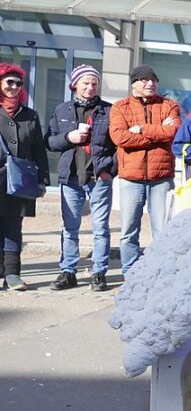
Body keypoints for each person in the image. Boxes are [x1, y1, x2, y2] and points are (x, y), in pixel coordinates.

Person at [46, 64, 117, 292]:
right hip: (71, 178)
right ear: (75, 84)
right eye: (85, 83)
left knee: (100, 228)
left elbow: (119, 146)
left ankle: (98, 272)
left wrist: (110, 170)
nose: (90, 87)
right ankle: (68, 271)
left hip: (99, 178)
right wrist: (69, 137)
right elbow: (49, 141)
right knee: (70, 228)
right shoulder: (62, 110)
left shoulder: (109, 110)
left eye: (94, 83)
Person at [109, 64, 180, 276]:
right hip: (131, 177)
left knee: (163, 230)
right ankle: (130, 273)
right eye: (144, 80)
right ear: (134, 83)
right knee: (129, 231)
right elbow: (120, 138)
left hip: (162, 177)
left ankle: (161, 272)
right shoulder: (120, 107)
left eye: (153, 80)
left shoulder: (169, 105)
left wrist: (141, 129)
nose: (150, 84)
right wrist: (157, 135)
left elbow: (173, 131)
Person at [0, 63, 49, 291]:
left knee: (13, 227)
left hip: (19, 180)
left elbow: (39, 149)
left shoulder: (30, 115)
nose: (14, 87)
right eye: (9, 82)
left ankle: (12, 274)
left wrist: (42, 180)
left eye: (18, 83)